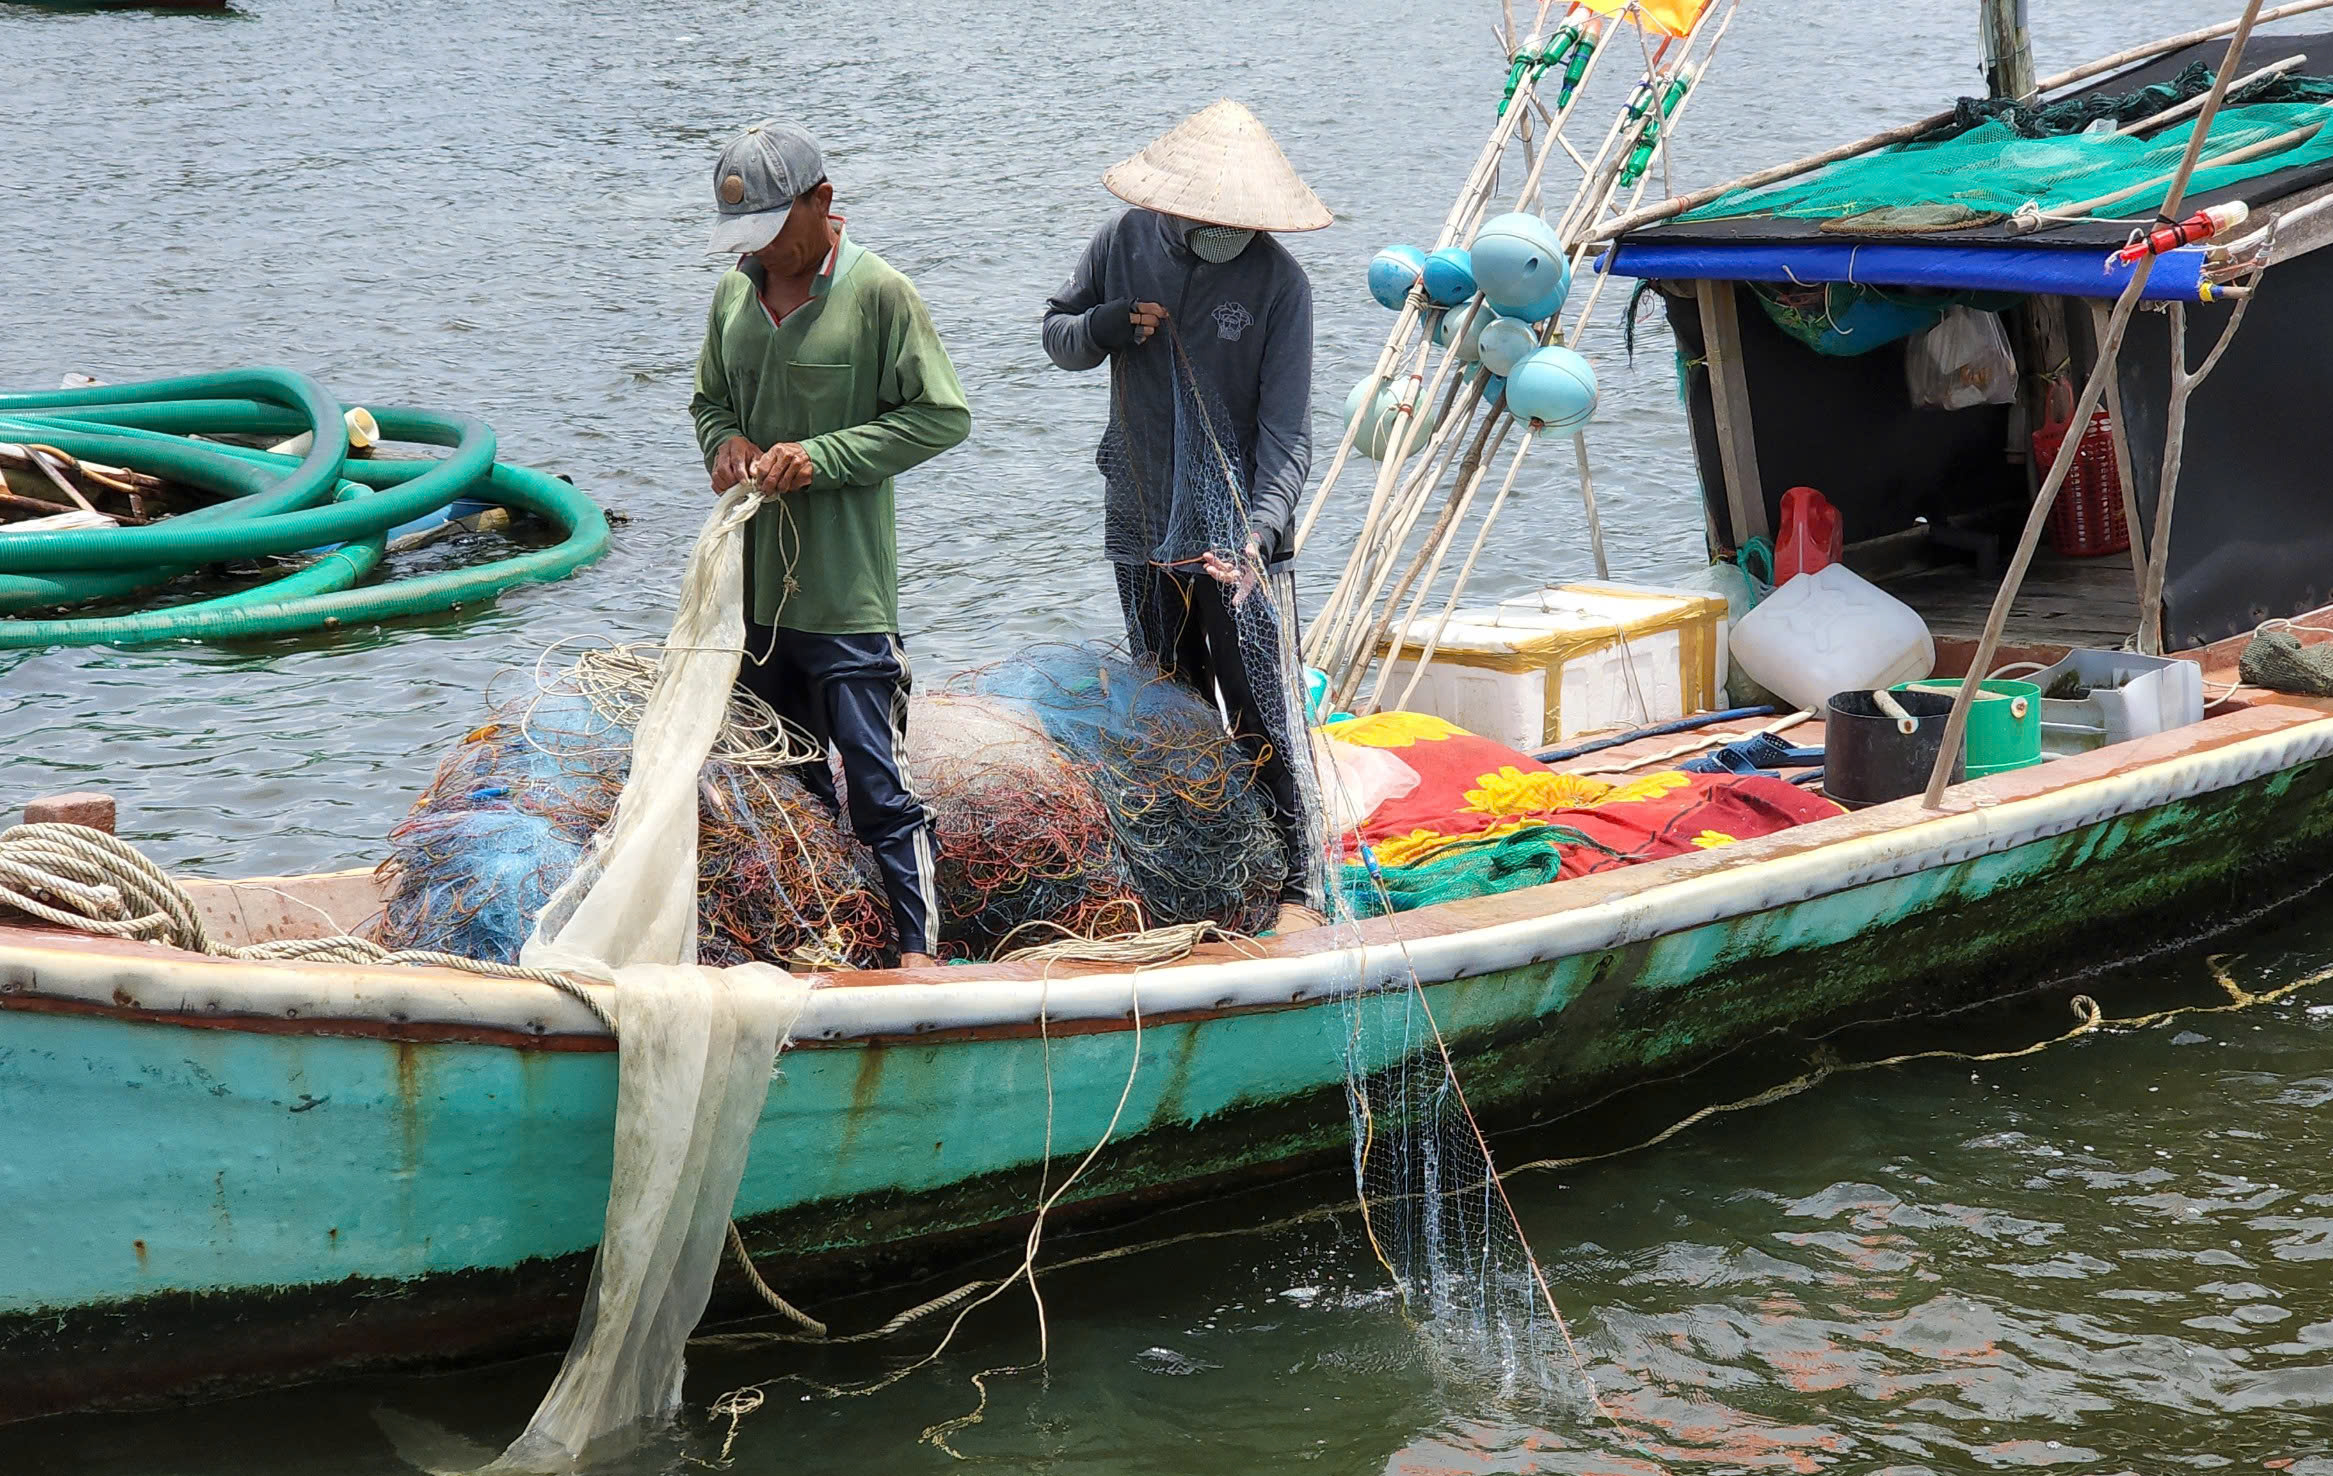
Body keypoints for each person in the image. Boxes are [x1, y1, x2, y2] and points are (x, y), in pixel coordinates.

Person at [1041, 100, 1330, 929]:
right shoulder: (1124, 241)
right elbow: (1057, 335)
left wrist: (1256, 535)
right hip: (1140, 510)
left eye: (1235, 221)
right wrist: (1103, 326)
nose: (1217, 229)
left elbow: (1286, 435)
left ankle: (1292, 881)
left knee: (1252, 702)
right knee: (1164, 698)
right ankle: (1197, 871)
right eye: (1203, 215)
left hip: (1234, 535)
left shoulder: (1280, 285)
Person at [690, 120, 971, 969]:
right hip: (754, 602)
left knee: (880, 789)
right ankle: (818, 946)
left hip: (847, 599)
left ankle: (919, 955)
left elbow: (940, 417)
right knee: (784, 793)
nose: (763, 250)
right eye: (748, 235)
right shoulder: (735, 296)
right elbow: (707, 401)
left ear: (823, 203)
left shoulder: (880, 293)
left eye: (776, 228)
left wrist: (823, 456)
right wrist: (725, 445)